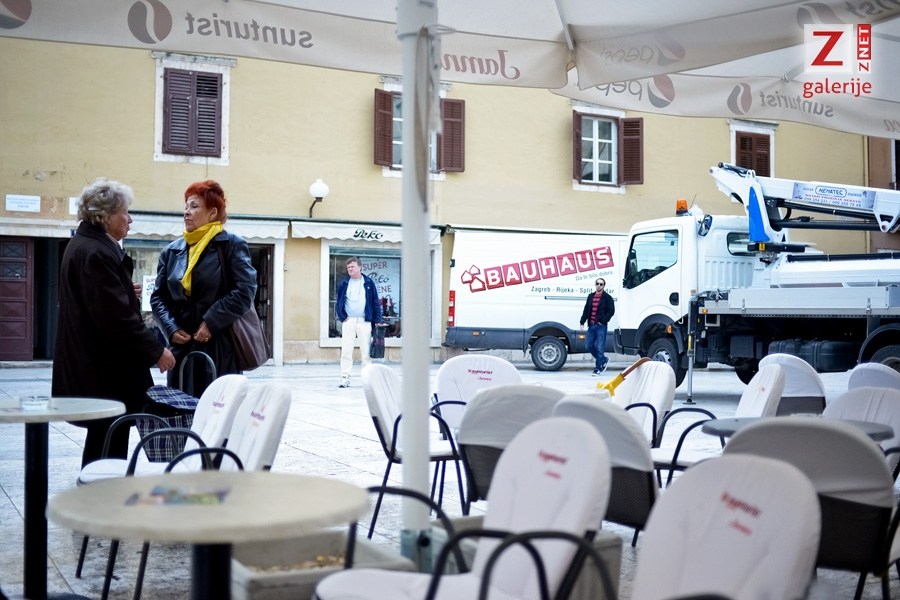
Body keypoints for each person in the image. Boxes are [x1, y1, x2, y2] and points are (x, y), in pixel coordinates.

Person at [52, 178, 176, 468]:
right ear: (106, 217)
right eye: (125, 212)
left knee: (103, 437)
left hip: (96, 367)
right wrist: (156, 351)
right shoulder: (96, 252)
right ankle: (101, 492)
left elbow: (98, 300)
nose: (130, 219)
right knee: (109, 438)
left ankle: (95, 488)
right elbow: (116, 318)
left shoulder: (86, 245)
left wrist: (123, 289)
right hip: (104, 371)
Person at [151, 180, 258, 397]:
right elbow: (159, 297)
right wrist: (170, 328)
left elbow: (245, 290)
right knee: (181, 408)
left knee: (218, 408)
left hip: (220, 345)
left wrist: (211, 322)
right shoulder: (171, 251)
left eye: (194, 206)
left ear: (212, 213)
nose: (186, 212)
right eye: (186, 206)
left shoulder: (231, 245)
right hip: (181, 347)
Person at [335, 257, 383, 388]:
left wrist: (378, 320)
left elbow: (375, 302)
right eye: (348, 267)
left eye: (352, 266)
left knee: (366, 352)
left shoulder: (368, 283)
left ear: (360, 267)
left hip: (364, 321)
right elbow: (339, 302)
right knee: (346, 351)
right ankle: (345, 377)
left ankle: (367, 379)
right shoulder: (344, 283)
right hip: (349, 321)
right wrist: (342, 317)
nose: (350, 269)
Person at [580, 277, 615, 376]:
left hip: (601, 326)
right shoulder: (590, 296)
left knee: (600, 347)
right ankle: (603, 360)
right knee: (589, 345)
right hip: (591, 326)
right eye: (597, 283)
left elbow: (611, 311)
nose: (599, 285)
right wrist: (582, 321)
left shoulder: (607, 298)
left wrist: (603, 320)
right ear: (595, 285)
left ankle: (598, 368)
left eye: (601, 284)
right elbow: (586, 309)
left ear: (604, 286)